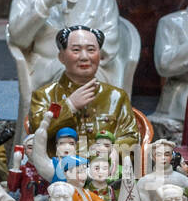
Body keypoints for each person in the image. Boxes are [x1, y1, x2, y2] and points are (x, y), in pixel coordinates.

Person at [6, 0, 138, 124]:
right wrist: (44, 6)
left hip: (93, 72)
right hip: (45, 73)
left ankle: (99, 144)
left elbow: (109, 49)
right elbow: (18, 40)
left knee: (87, 81)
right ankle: (48, 142)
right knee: (64, 79)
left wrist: (79, 61)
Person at [27, 25, 139, 158]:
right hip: (59, 174)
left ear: (100, 56)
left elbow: (131, 138)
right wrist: (69, 106)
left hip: (106, 173)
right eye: (76, 50)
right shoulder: (44, 95)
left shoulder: (116, 96)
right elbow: (37, 133)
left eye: (91, 50)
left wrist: (105, 153)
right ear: (61, 57)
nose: (84, 57)